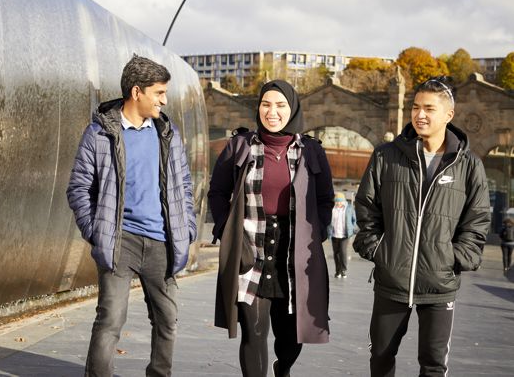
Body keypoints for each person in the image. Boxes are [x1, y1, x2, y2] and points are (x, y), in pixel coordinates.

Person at [66, 54, 197, 377]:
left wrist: (187, 229)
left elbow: (183, 186)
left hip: (161, 244)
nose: (164, 101)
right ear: (137, 92)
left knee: (167, 320)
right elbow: (79, 188)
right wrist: (97, 232)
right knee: (110, 319)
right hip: (119, 242)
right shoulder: (99, 134)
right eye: (159, 93)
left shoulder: (168, 133)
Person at [353, 76, 490, 377]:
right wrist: (378, 249)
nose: (420, 115)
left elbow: (477, 220)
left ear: (449, 115)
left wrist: (454, 259)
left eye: (429, 108)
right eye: (415, 107)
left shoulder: (467, 165)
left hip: (440, 283)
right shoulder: (386, 156)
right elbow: (366, 207)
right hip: (392, 279)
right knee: (381, 358)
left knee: (433, 365)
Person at [208, 80, 334, 377]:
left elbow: (325, 198)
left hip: (294, 254)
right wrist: (227, 230)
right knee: (253, 332)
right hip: (250, 248)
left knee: (291, 335)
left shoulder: (311, 151)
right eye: (266, 104)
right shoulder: (239, 146)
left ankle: (283, 366)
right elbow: (217, 192)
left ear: (293, 110)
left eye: (280, 105)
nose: (272, 112)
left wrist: (319, 234)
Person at [328, 192, 357, 278]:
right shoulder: (332, 209)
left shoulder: (349, 208)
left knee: (343, 252)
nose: (338, 203)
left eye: (340, 201)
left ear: (343, 201)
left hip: (345, 235)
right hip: (334, 234)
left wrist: (353, 229)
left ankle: (343, 270)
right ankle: (338, 271)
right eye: (337, 201)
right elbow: (329, 221)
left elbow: (354, 220)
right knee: (336, 253)